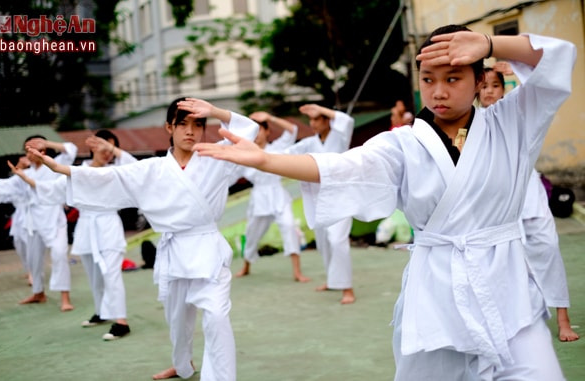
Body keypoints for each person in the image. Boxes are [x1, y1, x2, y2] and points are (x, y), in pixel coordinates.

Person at [194, 25, 576, 380]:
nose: (438, 92)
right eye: (428, 80)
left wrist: (490, 43)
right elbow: (344, 167)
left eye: (453, 79)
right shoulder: (402, 144)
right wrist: (266, 160)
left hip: (509, 295)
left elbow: (559, 59)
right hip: (438, 296)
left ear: (479, 81)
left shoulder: (513, 123)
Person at [28, 97, 258, 381]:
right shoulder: (151, 169)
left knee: (217, 319)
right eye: (183, 124)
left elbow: (249, 132)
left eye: (198, 125)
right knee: (177, 320)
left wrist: (215, 111)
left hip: (207, 249)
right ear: (169, 127)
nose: (191, 131)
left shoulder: (217, 157)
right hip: (174, 251)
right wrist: (59, 168)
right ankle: (182, 365)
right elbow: (109, 178)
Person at [478, 65, 579, 343]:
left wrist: (518, 72)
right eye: (484, 86)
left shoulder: (518, 111)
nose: (489, 91)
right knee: (502, 261)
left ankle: (562, 318)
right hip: (495, 199)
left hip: (529, 193)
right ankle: (509, 321)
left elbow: (538, 88)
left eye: (495, 85)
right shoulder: (472, 121)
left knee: (548, 248)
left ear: (504, 88)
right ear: (476, 89)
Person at [9, 130, 138, 341]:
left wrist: (112, 147)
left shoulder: (117, 170)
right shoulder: (81, 170)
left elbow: (134, 166)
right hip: (86, 226)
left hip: (108, 226)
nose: (106, 152)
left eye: (110, 148)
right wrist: (25, 178)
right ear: (93, 146)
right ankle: (101, 312)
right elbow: (53, 188)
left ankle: (121, 321)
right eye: (102, 146)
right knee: (93, 275)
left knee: (111, 274)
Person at [0, 136, 77, 311]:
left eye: (32, 149)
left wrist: (48, 143)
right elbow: (3, 185)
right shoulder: (26, 174)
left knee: (59, 255)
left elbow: (71, 149)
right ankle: (38, 293)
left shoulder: (54, 165)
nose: (28, 154)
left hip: (54, 219)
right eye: (26, 150)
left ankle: (65, 297)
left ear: (42, 151)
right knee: (33, 260)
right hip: (33, 222)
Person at [287, 103, 356, 304]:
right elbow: (286, 153)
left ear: (327, 120)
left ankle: (347, 288)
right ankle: (331, 280)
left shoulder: (340, 136)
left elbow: (347, 121)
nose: (313, 123)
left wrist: (321, 109)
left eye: (318, 119)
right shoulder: (309, 143)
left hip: (341, 197)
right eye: (312, 119)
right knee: (324, 242)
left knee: (337, 241)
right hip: (318, 198)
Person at [233, 111, 310, 282]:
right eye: (254, 130)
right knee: (252, 232)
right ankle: (246, 265)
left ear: (267, 131)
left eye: (260, 129)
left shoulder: (277, 148)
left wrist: (270, 118)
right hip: (259, 197)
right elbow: (230, 176)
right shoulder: (244, 154)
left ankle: (297, 272)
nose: (258, 134)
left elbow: (293, 130)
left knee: (289, 226)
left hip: (277, 194)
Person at [0, 156, 33, 285]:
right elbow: (2, 189)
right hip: (19, 215)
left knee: (30, 244)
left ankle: (34, 273)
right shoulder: (15, 180)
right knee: (19, 244)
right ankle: (29, 270)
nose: (22, 159)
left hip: (32, 214)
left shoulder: (32, 174)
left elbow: (2, 184)